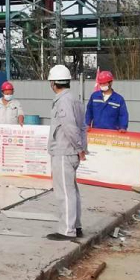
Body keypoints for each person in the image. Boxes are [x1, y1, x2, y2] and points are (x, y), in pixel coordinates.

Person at [45, 64, 87, 241]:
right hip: (71, 151)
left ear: (53, 83)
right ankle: (75, 226)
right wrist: (81, 148)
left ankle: (67, 230)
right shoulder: (75, 99)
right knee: (72, 191)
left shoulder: (63, 101)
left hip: (64, 151)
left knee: (64, 192)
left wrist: (79, 148)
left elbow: (70, 127)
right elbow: (82, 127)